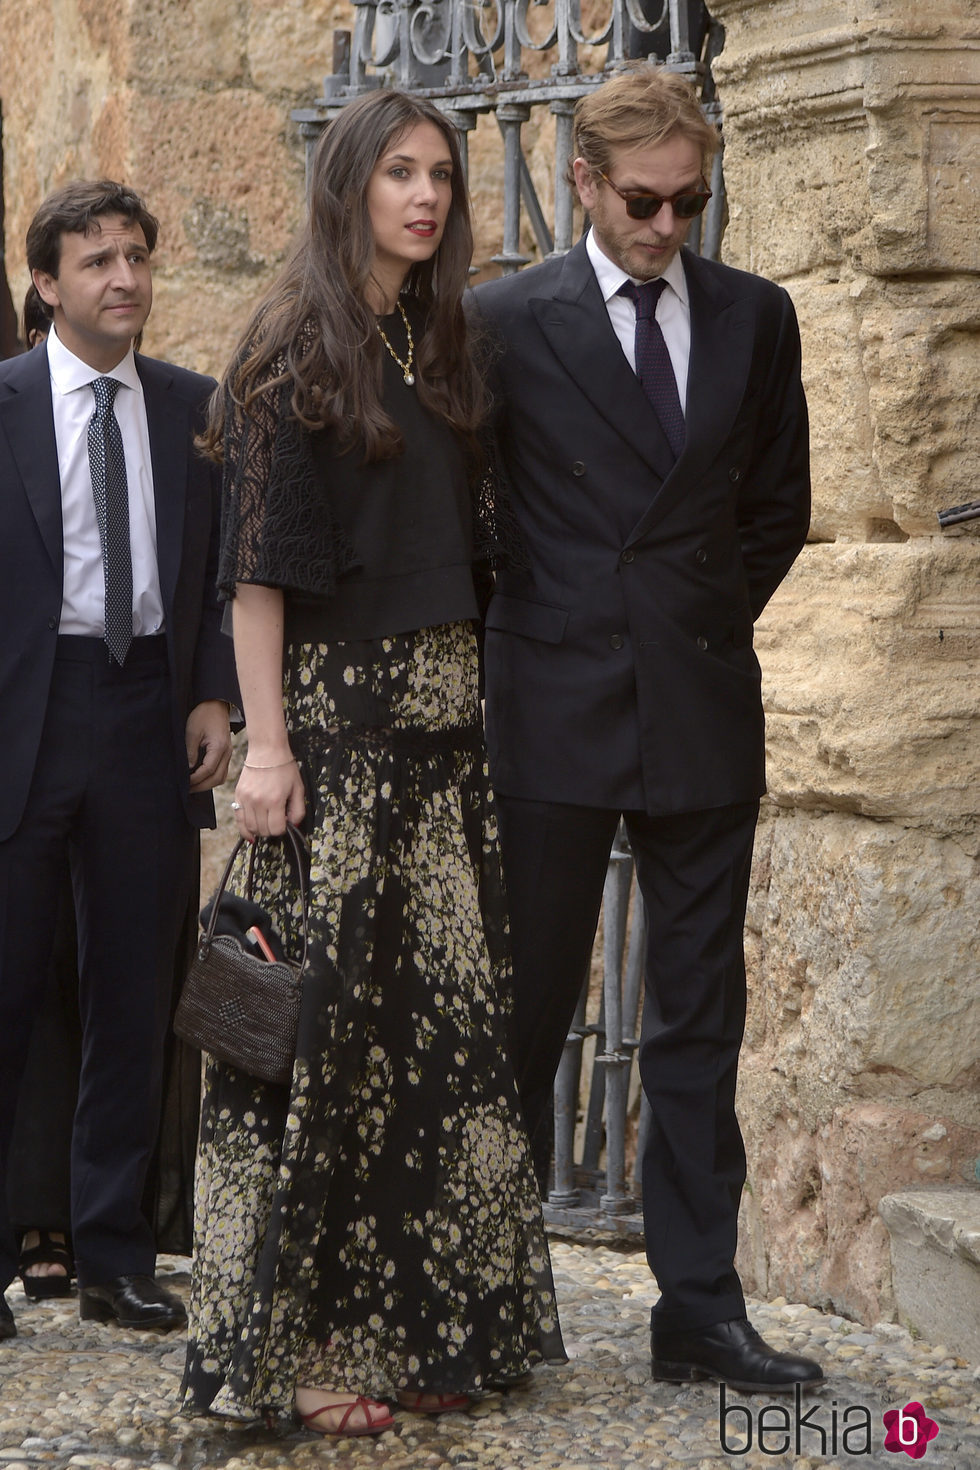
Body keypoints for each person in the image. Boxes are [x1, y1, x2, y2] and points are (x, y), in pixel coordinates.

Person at [180, 88, 565, 1439]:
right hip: (337, 745)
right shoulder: (292, 348)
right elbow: (257, 578)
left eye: (444, 176)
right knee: (327, 1049)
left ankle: (430, 1315)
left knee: (441, 1040)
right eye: (399, 171)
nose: (426, 196)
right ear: (348, 183)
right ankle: (307, 1339)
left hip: (444, 744)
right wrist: (267, 749)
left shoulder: (445, 338)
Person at [470, 64, 823, 1393]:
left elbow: (777, 508)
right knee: (528, 1008)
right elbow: (469, 525)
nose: (669, 228)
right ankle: (487, 1289)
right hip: (549, 707)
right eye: (644, 203)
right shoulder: (503, 320)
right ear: (581, 181)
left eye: (691, 203)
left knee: (696, 1018)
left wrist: (689, 618)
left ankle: (700, 1305)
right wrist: (559, 629)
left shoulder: (754, 316)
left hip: (698, 707)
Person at [0, 179, 238, 1342]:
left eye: (137, 257)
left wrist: (211, 693)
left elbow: (212, 572)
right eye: (96, 261)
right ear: (45, 282)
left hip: (145, 710)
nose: (124, 280)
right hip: (23, 717)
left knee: (136, 996)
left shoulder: (193, 409)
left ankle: (114, 1254)